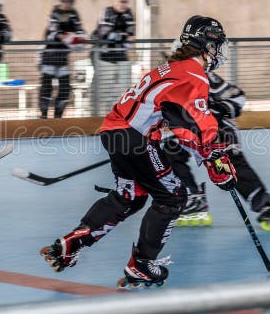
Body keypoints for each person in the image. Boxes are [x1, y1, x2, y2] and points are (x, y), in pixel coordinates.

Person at [41, 15, 237, 289]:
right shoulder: (193, 75)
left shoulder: (171, 68)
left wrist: (206, 155)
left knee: (130, 196)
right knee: (172, 197)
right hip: (132, 138)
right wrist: (216, 158)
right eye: (217, 45)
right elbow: (195, 125)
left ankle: (72, 243)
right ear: (207, 45)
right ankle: (141, 265)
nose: (219, 52)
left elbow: (173, 118)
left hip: (114, 132)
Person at [163, 68, 270, 231]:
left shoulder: (205, 77)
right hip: (186, 133)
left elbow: (237, 97)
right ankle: (193, 199)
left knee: (230, 165)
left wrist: (218, 110)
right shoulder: (166, 80)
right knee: (168, 152)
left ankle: (265, 207)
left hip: (216, 130)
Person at [39, 0, 85, 119]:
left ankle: (58, 117)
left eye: (70, 1)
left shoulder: (74, 14)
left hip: (63, 57)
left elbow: (80, 31)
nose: (67, 4)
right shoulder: (54, 13)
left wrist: (79, 39)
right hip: (49, 56)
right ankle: (43, 116)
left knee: (65, 89)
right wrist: (69, 37)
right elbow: (53, 33)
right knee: (46, 88)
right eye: (64, 1)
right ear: (59, 1)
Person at [92, 0, 135, 115]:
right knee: (105, 92)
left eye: (126, 2)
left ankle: (118, 118)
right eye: (121, 1)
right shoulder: (107, 12)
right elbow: (105, 35)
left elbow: (131, 37)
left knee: (123, 91)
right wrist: (122, 36)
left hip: (121, 56)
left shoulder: (128, 14)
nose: (123, 4)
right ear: (114, 0)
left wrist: (119, 36)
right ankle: (101, 119)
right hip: (105, 57)